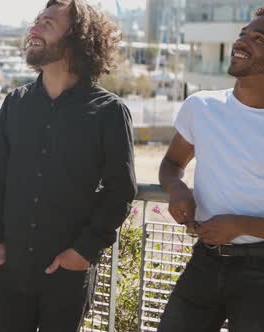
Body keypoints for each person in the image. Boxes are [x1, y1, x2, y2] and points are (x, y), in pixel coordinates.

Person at [0, 0, 137, 331]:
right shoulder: (15, 103)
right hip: (10, 269)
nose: (34, 29)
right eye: (36, 21)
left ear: (77, 38)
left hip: (66, 276)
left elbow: (120, 190)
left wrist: (82, 253)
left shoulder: (109, 112)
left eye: (48, 23)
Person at [157, 7, 264, 332]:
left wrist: (240, 225)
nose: (243, 42)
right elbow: (172, 164)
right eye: (244, 33)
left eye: (259, 39)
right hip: (205, 260)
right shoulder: (201, 107)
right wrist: (177, 189)